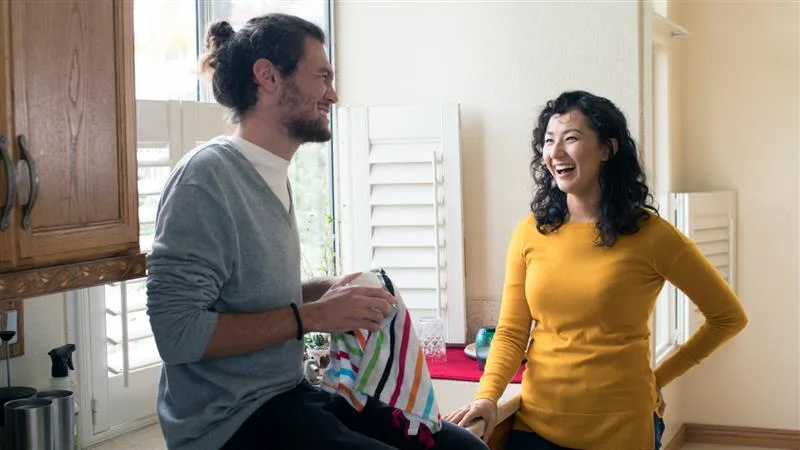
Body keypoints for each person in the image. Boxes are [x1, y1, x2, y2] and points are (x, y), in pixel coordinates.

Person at [145, 13, 488, 450]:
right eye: (322, 76)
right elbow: (177, 334)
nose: (333, 94)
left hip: (287, 396)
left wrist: (322, 291)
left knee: (464, 448)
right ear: (269, 77)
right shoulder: (205, 179)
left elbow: (241, 298)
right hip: (227, 424)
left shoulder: (272, 176)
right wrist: (313, 317)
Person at [446, 90, 748, 449]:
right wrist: (487, 395)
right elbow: (512, 332)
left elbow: (728, 317)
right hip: (536, 428)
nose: (555, 152)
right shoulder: (530, 232)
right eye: (549, 141)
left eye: (571, 138)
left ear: (607, 149)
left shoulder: (652, 235)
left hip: (623, 431)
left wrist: (658, 377)